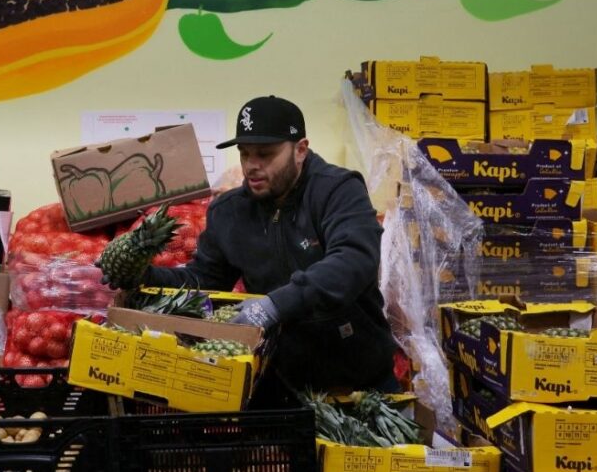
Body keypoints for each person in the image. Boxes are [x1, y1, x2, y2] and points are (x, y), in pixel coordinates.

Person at [101, 95, 400, 396]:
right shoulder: (229, 212)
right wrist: (141, 275)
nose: (251, 166)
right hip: (283, 384)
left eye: (265, 154)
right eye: (244, 154)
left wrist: (275, 305)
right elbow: (202, 280)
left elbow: (353, 260)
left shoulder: (337, 190)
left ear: (300, 150)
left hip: (361, 380)